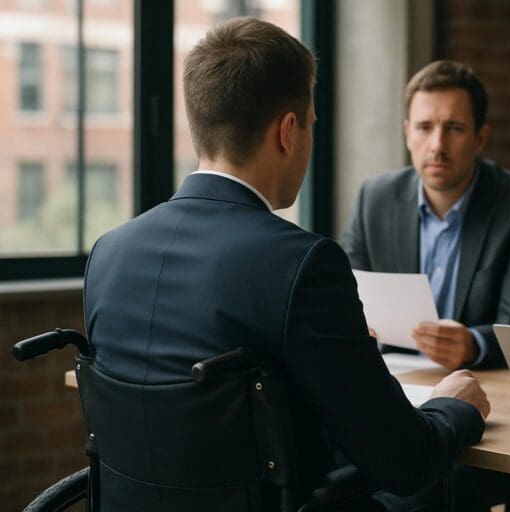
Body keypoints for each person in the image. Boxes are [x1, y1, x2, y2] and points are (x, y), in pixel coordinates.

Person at [83, 18, 489, 511]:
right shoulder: (302, 263)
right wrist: (455, 405)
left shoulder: (108, 253)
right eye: (312, 124)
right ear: (288, 131)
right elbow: (404, 460)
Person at [341, 60, 510, 371]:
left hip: (483, 384)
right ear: (408, 133)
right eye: (424, 128)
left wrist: (474, 344)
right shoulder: (374, 199)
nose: (437, 146)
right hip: (392, 381)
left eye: (454, 129)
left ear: (480, 137)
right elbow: (344, 298)